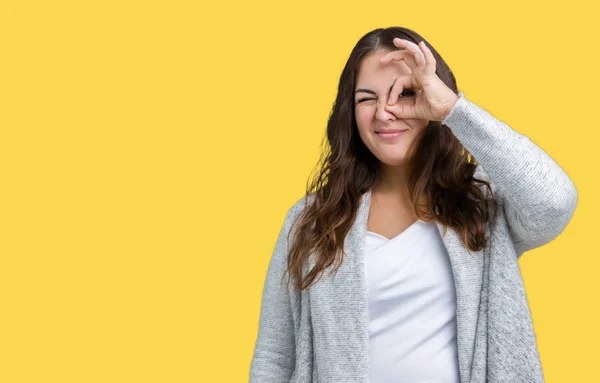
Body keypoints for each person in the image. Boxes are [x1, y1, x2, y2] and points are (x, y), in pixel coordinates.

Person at [249, 26, 577, 383]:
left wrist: (454, 109)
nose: (385, 112)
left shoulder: (480, 204)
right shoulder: (310, 220)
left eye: (406, 93)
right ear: (349, 112)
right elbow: (275, 357)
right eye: (366, 98)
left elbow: (554, 201)